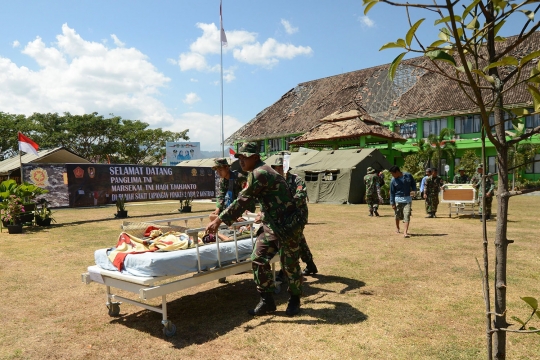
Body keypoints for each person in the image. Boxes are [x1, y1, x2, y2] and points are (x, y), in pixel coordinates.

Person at [206, 142, 306, 316]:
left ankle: (295, 300)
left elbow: (244, 199)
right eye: (239, 157)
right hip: (271, 224)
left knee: (289, 265)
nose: (241, 161)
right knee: (258, 258)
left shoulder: (261, 172)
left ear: (255, 157)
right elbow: (250, 200)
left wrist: (218, 221)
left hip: (288, 224)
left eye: (244, 157)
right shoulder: (255, 172)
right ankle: (267, 301)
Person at [271, 157, 318, 276]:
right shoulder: (276, 183)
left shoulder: (297, 179)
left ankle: (285, 271)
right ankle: (310, 264)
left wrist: (286, 204)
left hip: (298, 216)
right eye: (276, 168)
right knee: (298, 239)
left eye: (280, 168)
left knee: (290, 240)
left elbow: (301, 194)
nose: (278, 170)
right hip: (285, 217)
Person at [389, 165, 416, 238]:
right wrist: (392, 203)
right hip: (398, 199)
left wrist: (414, 190)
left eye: (393, 173)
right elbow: (392, 192)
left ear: (397, 172)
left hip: (407, 199)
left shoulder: (408, 176)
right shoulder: (393, 180)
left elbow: (413, 184)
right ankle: (397, 228)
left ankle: (405, 232)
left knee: (406, 215)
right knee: (397, 216)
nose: (392, 175)